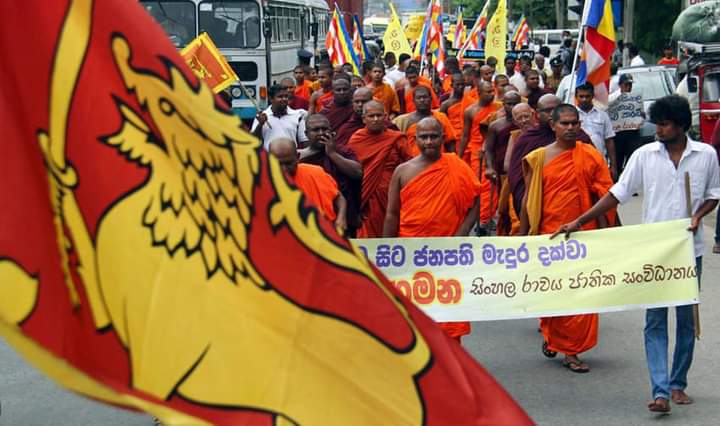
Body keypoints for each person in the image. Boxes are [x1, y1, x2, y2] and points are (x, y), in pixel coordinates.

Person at [553, 95, 720, 413]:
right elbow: (617, 193)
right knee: (655, 320)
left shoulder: (706, 155)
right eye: (657, 123)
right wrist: (579, 220)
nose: (658, 129)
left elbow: (713, 195)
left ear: (681, 126)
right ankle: (660, 391)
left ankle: (677, 383)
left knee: (686, 320)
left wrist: (698, 216)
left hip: (688, 250)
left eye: (665, 124)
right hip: (652, 250)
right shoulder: (644, 155)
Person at [520, 104, 616, 374]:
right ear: (553, 125)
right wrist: (522, 234)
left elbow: (606, 193)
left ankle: (571, 351)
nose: (571, 128)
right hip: (549, 237)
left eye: (575, 123)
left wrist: (609, 231)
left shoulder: (589, 155)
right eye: (565, 123)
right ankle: (554, 336)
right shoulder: (538, 158)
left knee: (580, 293)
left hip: (583, 237)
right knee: (553, 293)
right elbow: (530, 198)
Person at [383, 117, 481, 343]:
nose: (429, 142)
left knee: (449, 309)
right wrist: (387, 251)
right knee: (415, 309)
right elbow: (392, 214)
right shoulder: (403, 171)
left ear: (443, 138)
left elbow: (475, 200)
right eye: (423, 137)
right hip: (412, 251)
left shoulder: (456, 165)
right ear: (414, 140)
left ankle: (451, 365)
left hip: (447, 251)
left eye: (434, 136)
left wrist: (462, 232)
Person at [507, 94, 594, 219]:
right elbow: (517, 178)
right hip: (544, 208)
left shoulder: (579, 137)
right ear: (537, 114)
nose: (552, 114)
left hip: (580, 208)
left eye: (556, 109)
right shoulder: (528, 139)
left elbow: (596, 174)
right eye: (547, 111)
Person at [348, 100, 414, 238]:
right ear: (364, 119)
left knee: (393, 230)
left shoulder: (396, 138)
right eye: (371, 116)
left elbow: (410, 165)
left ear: (386, 116)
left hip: (392, 193)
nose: (376, 119)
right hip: (366, 196)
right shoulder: (357, 139)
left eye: (379, 115)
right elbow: (351, 170)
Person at [299, 114, 363, 237]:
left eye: (324, 129)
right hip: (311, 218)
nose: (321, 133)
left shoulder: (343, 151)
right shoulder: (299, 157)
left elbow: (357, 174)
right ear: (306, 134)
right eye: (316, 130)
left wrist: (332, 154)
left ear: (331, 131)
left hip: (343, 218)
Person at [270, 138, 347, 230]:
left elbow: (339, 197)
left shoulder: (316, 173)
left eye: (288, 163)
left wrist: (341, 218)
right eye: (278, 164)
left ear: (298, 157)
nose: (284, 169)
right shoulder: (261, 183)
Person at [459, 81, 502, 228]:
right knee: (482, 185)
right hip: (477, 151)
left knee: (493, 185)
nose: (492, 94)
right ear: (479, 94)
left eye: (492, 91)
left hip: (494, 149)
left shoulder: (499, 108)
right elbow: (465, 135)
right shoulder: (470, 111)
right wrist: (459, 156)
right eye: (488, 92)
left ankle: (488, 216)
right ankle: (483, 218)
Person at [484, 91, 522, 235]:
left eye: (515, 103)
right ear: (503, 105)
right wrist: (489, 167)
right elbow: (488, 149)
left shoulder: (528, 123)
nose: (512, 107)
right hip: (503, 172)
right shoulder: (496, 126)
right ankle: (504, 233)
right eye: (509, 104)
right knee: (504, 205)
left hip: (521, 170)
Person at [499, 103, 537, 235]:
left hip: (541, 181)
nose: (524, 121)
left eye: (526, 116)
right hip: (519, 182)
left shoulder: (543, 133)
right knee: (517, 220)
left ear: (533, 114)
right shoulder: (515, 136)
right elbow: (507, 165)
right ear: (514, 121)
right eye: (519, 118)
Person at [394, 85, 457, 155]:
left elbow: (450, 142)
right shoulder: (404, 121)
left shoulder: (441, 117)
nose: (422, 100)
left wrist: (452, 159)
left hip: (438, 160)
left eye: (425, 97)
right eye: (419, 98)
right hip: (414, 161)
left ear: (431, 99)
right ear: (413, 101)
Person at [575, 83, 617, 180]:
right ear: (576, 97)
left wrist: (613, 166)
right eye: (581, 96)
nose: (584, 99)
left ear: (593, 96)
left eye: (587, 96)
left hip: (600, 162)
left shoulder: (603, 116)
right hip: (578, 164)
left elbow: (609, 141)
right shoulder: (571, 116)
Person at [252, 84, 308, 149]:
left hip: (290, 157)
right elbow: (254, 140)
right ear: (271, 99)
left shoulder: (298, 116)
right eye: (280, 97)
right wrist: (260, 124)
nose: (284, 99)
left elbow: (304, 141)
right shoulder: (262, 116)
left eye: (286, 96)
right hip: (270, 157)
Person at [609, 74, 643, 176]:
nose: (628, 87)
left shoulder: (635, 97)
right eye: (626, 85)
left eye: (630, 85)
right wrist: (621, 94)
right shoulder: (613, 96)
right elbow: (608, 104)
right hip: (618, 133)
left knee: (632, 158)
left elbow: (640, 111)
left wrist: (641, 116)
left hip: (632, 132)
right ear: (620, 85)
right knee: (618, 158)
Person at [439, 73, 468, 141]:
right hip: (452, 138)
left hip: (467, 137)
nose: (460, 87)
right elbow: (442, 124)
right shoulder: (445, 105)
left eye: (462, 84)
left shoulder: (470, 101)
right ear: (452, 85)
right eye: (457, 85)